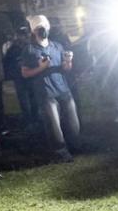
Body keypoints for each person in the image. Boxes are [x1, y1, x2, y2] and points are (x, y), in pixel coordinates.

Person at [21, 15, 80, 162]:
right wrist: (41, 68)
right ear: (33, 31)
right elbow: (25, 73)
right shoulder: (29, 49)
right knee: (54, 126)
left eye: (45, 27)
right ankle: (61, 153)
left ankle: (75, 146)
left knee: (74, 124)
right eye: (39, 28)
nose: (43, 30)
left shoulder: (57, 46)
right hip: (46, 93)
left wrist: (68, 61)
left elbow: (66, 68)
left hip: (63, 90)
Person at [3, 26, 40, 130]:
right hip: (19, 78)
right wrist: (14, 71)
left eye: (25, 35)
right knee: (24, 101)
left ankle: (36, 120)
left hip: (32, 77)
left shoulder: (32, 47)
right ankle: (28, 121)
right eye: (21, 35)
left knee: (34, 100)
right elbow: (6, 63)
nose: (24, 37)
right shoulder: (13, 49)